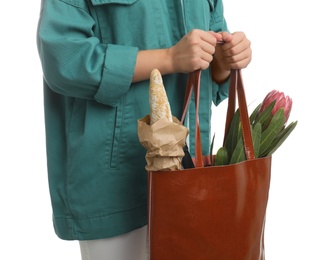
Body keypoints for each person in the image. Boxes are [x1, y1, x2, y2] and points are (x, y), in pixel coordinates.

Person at [36, 0, 252, 259]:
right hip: (113, 181)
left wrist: (225, 60)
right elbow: (64, 59)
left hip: (191, 171)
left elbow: (211, 56)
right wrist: (169, 58)